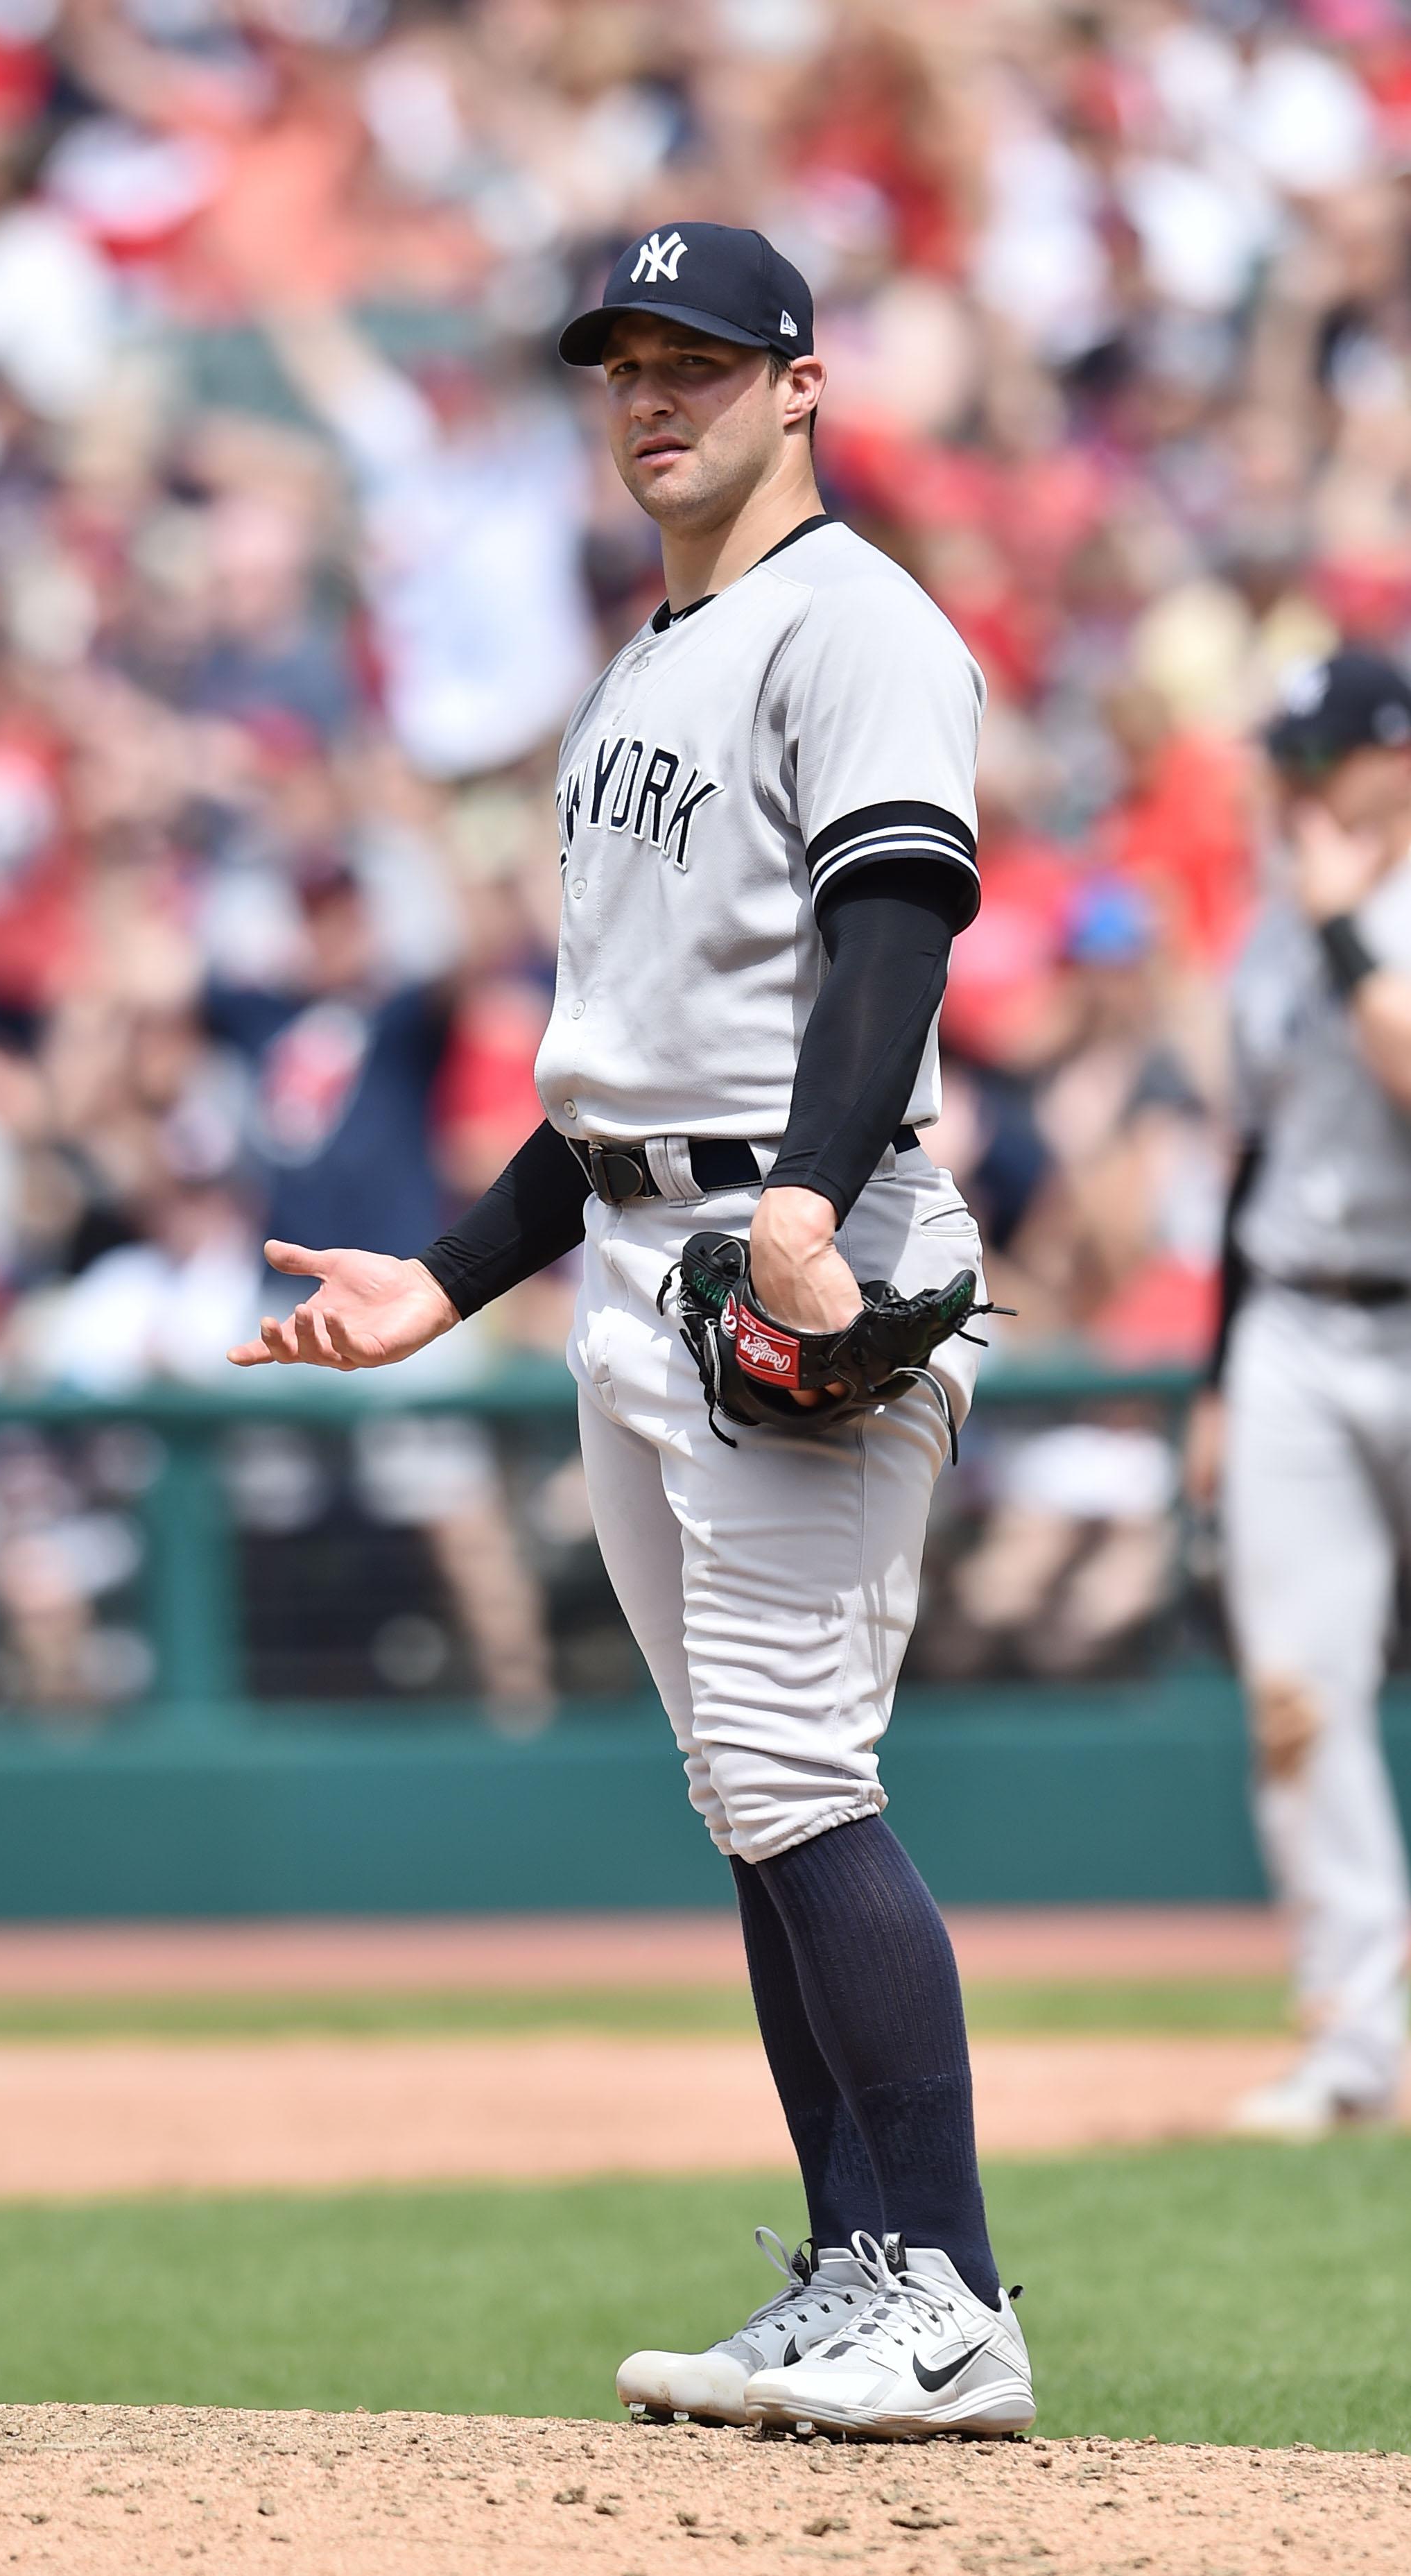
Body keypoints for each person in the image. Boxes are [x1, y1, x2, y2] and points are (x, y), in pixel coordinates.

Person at [228, 222, 1033, 2441]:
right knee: (747, 1801)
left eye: (702, 358)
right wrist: (443, 1277)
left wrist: (798, 1208)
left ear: (803, 384)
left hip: (798, 1246)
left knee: (797, 1773)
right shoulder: (634, 673)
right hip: (630, 1258)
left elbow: (893, 930)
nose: (653, 395)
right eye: (623, 366)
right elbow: (616, 1083)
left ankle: (952, 2293)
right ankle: (864, 2263)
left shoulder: (858, 623)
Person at [1188, 649, 1411, 2140]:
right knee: (1295, 1691)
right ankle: (1353, 2038)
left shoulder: (1336, 917)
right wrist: (1215, 1371)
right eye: (1288, 758)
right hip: (1294, 1324)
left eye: (1323, 756)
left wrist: (1340, 925)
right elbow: (1254, 1156)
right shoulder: (1273, 927)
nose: (1298, 785)